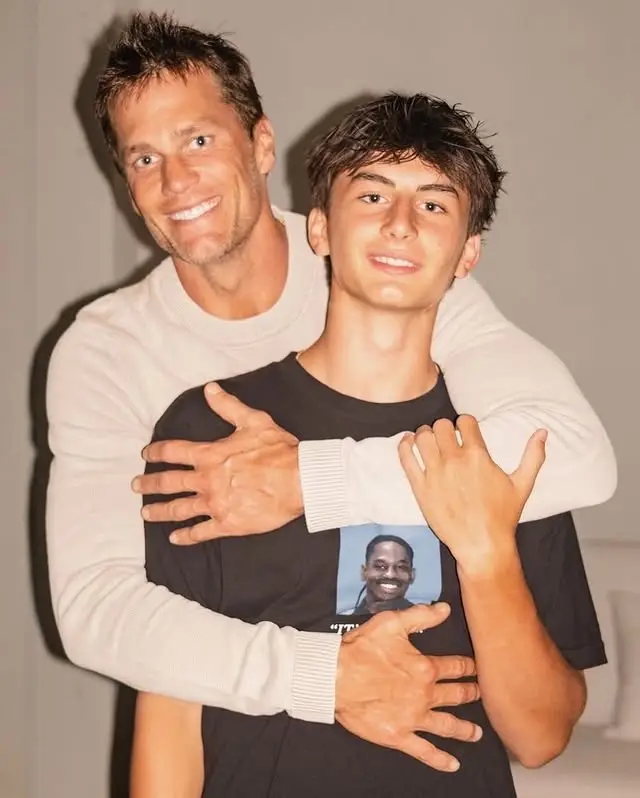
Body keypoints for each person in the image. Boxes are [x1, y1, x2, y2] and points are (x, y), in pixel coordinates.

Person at [45, 11, 615, 766]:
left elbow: (572, 455)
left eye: (199, 140)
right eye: (144, 158)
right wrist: (327, 678)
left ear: (262, 145)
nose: (176, 181)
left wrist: (308, 479)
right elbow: (100, 611)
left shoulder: (386, 267)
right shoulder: (110, 355)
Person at [352, 535, 416, 615]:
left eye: (401, 567)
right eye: (380, 566)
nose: (390, 575)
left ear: (412, 575)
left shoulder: (425, 619)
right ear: (364, 572)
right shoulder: (346, 621)